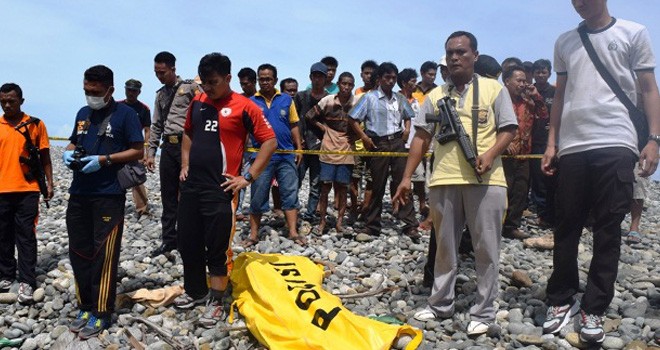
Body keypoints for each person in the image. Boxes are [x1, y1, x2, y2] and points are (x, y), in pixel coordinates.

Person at [541, 0, 660, 344]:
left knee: (608, 228)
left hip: (616, 140)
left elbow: (649, 88)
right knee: (567, 225)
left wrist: (653, 139)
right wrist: (552, 143)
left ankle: (594, 306)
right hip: (574, 145)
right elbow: (559, 96)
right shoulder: (565, 42)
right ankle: (561, 298)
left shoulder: (633, 33)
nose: (578, 2)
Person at [393, 31, 517, 336]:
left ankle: (484, 310)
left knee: (486, 249)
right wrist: (407, 177)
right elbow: (421, 138)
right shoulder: (435, 96)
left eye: (461, 52)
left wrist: (489, 155)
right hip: (444, 178)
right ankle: (440, 304)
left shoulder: (493, 88)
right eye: (450, 53)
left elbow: (509, 129)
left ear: (475, 55)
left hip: (486, 181)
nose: (455, 57)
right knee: (444, 248)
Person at [174, 53, 276, 326]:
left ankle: (217, 300)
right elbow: (188, 133)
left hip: (221, 189)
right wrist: (184, 163)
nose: (207, 87)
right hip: (192, 186)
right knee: (188, 242)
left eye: (213, 82)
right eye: (204, 82)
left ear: (228, 79)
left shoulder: (245, 106)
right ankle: (195, 291)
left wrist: (247, 177)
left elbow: (269, 142)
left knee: (217, 248)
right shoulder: (198, 101)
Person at [63, 65, 143, 339]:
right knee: (79, 251)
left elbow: (137, 149)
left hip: (108, 194)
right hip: (79, 193)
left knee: (104, 255)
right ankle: (84, 305)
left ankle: (101, 310)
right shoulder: (83, 114)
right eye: (86, 91)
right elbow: (74, 142)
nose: (90, 96)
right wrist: (67, 153)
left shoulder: (126, 115)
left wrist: (105, 160)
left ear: (110, 89)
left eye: (95, 92)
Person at [348, 62, 420, 242]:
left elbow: (408, 116)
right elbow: (353, 118)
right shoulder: (369, 98)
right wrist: (364, 137)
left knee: (402, 183)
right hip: (377, 143)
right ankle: (372, 224)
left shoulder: (400, 98)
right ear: (379, 79)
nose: (391, 81)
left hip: (396, 142)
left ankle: (410, 224)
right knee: (376, 184)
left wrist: (406, 130)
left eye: (394, 78)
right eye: (387, 77)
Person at [0, 83, 53, 303]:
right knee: (2, 235)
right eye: (3, 101)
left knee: (25, 236)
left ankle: (27, 281)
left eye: (11, 100)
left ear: (22, 101)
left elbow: (45, 157)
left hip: (27, 189)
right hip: (2, 189)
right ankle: (5, 274)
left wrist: (49, 183)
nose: (7, 104)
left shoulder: (35, 125)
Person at [243, 63, 305, 248]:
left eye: (268, 79)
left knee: (290, 192)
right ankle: (253, 235)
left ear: (275, 80)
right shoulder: (251, 101)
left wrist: (299, 147)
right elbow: (245, 129)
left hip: (285, 154)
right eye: (261, 79)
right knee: (258, 194)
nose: (265, 82)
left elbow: (294, 124)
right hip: (261, 157)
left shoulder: (286, 100)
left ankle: (293, 232)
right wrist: (242, 152)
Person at [146, 51, 201, 257]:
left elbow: (203, 113)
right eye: (156, 72)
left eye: (162, 72)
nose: (159, 76)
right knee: (168, 197)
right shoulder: (160, 94)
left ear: (173, 69)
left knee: (189, 195)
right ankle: (169, 240)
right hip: (168, 149)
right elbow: (156, 124)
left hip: (187, 147)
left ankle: (190, 240)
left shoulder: (190, 88)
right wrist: (151, 152)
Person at [305, 72, 357, 234]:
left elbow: (363, 122)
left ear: (353, 86)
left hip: (347, 150)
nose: (346, 87)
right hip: (328, 148)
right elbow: (310, 116)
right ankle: (322, 222)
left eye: (349, 84)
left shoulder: (356, 102)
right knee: (325, 186)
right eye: (344, 84)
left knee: (342, 188)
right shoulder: (327, 100)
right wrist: (324, 129)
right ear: (338, 84)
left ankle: (339, 222)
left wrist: (353, 135)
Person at [502, 65, 547, 239]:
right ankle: (493, 226)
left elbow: (543, 116)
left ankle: (511, 226)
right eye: (518, 80)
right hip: (503, 154)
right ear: (507, 81)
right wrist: (503, 144)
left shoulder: (528, 102)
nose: (523, 84)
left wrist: (536, 96)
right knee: (502, 191)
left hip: (524, 153)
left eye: (524, 81)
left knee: (520, 192)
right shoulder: (498, 100)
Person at [295, 62, 329, 222]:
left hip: (321, 147)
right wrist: (298, 140)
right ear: (310, 77)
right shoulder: (301, 97)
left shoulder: (330, 99)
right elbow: (295, 121)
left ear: (325, 79)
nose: (317, 79)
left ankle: (309, 214)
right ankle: (292, 211)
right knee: (296, 181)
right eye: (315, 76)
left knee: (316, 184)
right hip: (301, 146)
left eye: (320, 76)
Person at [398, 69, 429, 222]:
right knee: (399, 178)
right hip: (399, 144)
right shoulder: (395, 99)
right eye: (412, 81)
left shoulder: (417, 101)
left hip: (415, 144)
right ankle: (400, 206)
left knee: (419, 177)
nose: (415, 84)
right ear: (404, 83)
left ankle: (422, 204)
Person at [350, 60, 378, 223]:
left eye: (372, 73)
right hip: (358, 145)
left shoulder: (381, 95)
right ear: (361, 74)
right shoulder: (356, 95)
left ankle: (366, 208)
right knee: (353, 178)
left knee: (371, 179)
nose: (369, 76)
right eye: (366, 73)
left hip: (375, 146)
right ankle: (354, 208)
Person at [530, 59, 556, 227]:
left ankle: (551, 212)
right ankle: (541, 212)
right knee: (536, 178)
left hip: (550, 140)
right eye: (537, 72)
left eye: (543, 72)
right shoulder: (527, 91)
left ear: (549, 73)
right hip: (532, 140)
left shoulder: (555, 92)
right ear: (533, 74)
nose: (540, 75)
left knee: (551, 176)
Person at [119, 79, 151, 216]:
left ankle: (142, 208)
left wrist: (145, 151)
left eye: (134, 90)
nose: (131, 93)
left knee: (137, 177)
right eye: (128, 89)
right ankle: (115, 205)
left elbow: (147, 130)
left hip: (135, 147)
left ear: (139, 92)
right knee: (115, 176)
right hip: (118, 147)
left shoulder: (144, 109)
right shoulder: (117, 106)